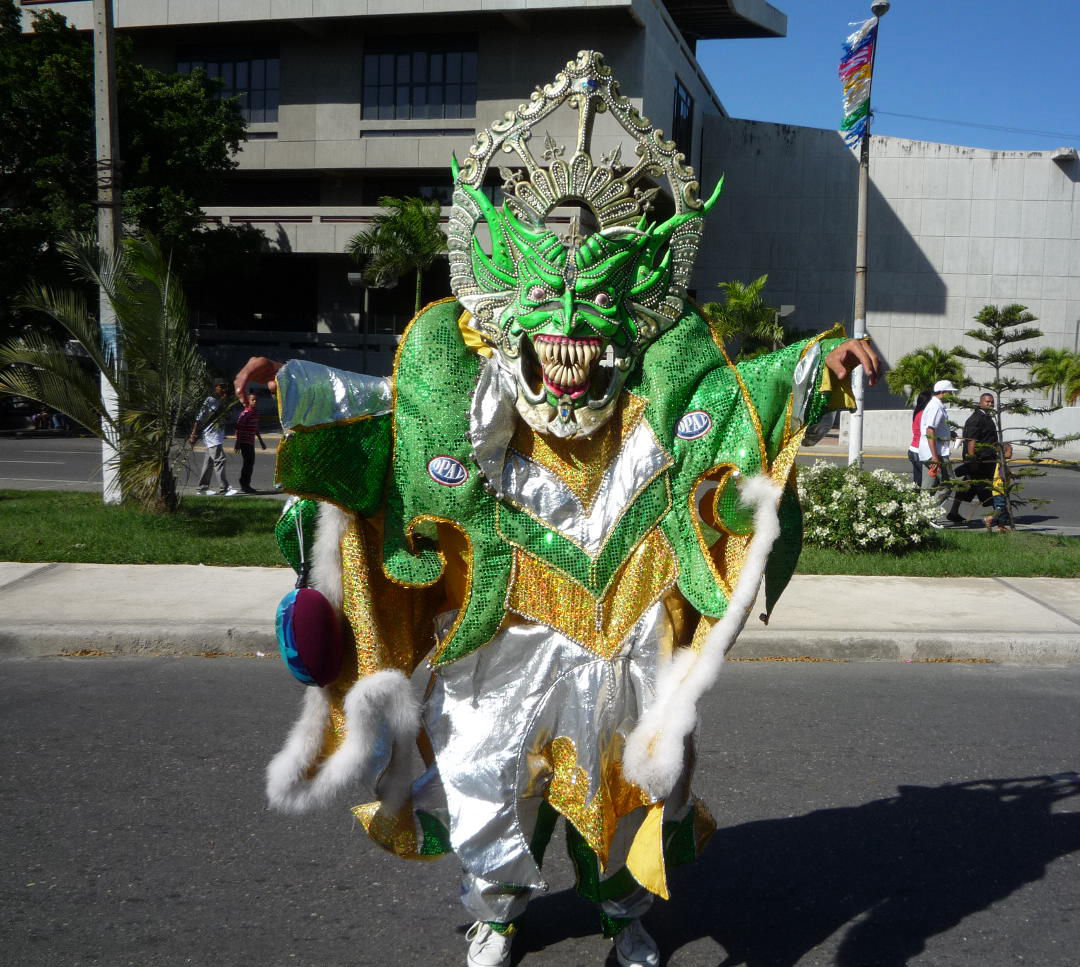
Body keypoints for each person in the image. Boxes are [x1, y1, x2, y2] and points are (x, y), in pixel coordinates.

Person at [240, 51, 883, 967]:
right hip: (502, 635)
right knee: (486, 781)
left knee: (627, 783)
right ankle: (496, 912)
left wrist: (820, 366)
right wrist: (293, 383)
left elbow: (739, 399)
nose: (570, 346)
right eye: (550, 316)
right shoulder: (463, 396)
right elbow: (383, 410)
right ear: (511, 317)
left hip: (624, 629)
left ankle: (623, 916)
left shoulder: (657, 403)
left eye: (593, 321)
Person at [947, 392, 997, 524]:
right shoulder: (976, 419)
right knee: (987, 487)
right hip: (979, 461)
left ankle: (953, 512)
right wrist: (972, 460)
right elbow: (971, 442)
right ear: (980, 402)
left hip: (986, 461)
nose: (990, 404)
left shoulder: (987, 417)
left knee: (967, 486)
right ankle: (996, 516)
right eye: (987, 401)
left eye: (992, 402)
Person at [916, 379, 954, 505]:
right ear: (942, 392)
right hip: (937, 452)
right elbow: (930, 430)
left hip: (928, 451)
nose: (952, 395)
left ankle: (921, 515)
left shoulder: (934, 404)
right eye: (950, 392)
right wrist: (935, 456)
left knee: (927, 486)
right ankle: (929, 512)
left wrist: (949, 434)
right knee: (949, 483)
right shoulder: (936, 406)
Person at [189, 380, 230, 496]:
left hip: (217, 435)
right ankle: (225, 488)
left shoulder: (221, 401)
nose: (224, 389)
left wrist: (224, 402)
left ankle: (202, 487)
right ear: (215, 387)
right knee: (220, 460)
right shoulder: (209, 400)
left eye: (225, 387)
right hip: (211, 436)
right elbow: (199, 418)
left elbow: (226, 417)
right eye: (221, 386)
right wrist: (193, 434)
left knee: (209, 462)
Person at [231, 392, 267, 495]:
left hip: (251, 442)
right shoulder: (245, 413)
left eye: (256, 400)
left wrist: (261, 441)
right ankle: (244, 485)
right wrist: (237, 443)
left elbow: (255, 428)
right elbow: (239, 428)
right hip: (244, 442)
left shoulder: (255, 413)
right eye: (253, 400)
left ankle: (246, 484)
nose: (255, 402)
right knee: (248, 463)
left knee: (250, 463)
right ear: (248, 401)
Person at [906, 389, 933, 487]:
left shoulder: (918, 412)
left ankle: (914, 500)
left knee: (917, 482)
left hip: (913, 449)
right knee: (927, 482)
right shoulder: (924, 414)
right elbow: (928, 433)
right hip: (919, 451)